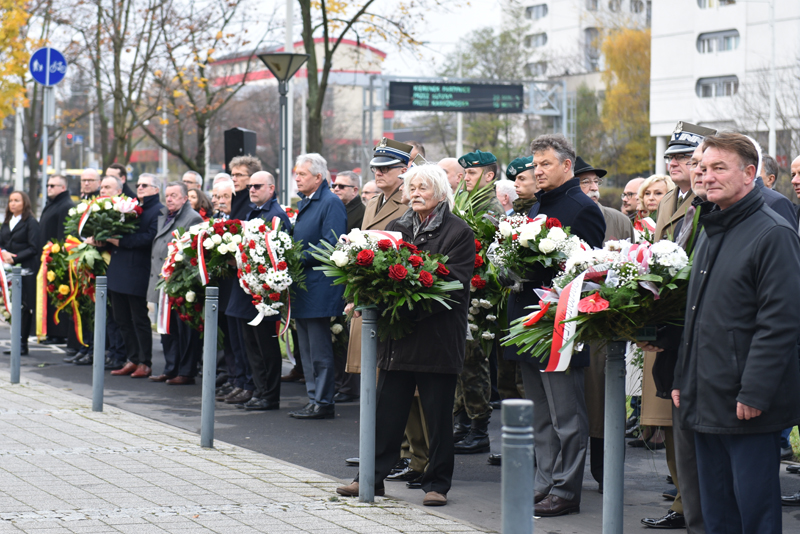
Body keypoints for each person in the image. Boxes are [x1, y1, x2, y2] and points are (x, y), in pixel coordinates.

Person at [673, 132, 800, 534]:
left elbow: (779, 322)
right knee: (717, 515)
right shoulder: (713, 228)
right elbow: (697, 316)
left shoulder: (773, 233)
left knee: (755, 514)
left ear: (750, 174)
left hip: (746, 405)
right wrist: (681, 379)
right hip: (705, 396)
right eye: (702, 167)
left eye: (718, 168)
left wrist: (755, 391)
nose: (705, 176)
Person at [336, 164, 475, 507]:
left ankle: (437, 484)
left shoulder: (458, 232)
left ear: (441, 193)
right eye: (411, 188)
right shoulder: (397, 227)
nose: (414, 193)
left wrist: (406, 302)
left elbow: (454, 286)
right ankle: (370, 477)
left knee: (437, 416)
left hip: (437, 337)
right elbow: (381, 271)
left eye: (422, 188)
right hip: (398, 337)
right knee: (387, 412)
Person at [504, 134, 605, 517]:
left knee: (567, 415)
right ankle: (543, 482)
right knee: (540, 414)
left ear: (567, 166)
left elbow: (587, 272)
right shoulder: (536, 206)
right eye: (535, 164)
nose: (538, 171)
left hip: (558, 323)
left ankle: (566, 488)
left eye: (545, 164)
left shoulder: (582, 208)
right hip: (529, 321)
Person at [642, 122, 716, 529]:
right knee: (670, 413)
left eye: (684, 158)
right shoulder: (672, 197)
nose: (674, 163)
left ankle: (691, 504)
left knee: (684, 413)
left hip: (687, 318)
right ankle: (683, 498)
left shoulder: (706, 202)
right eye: (670, 157)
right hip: (667, 315)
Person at [345, 139, 427, 478]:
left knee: (406, 389)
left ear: (404, 170)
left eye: (386, 168)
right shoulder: (375, 200)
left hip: (394, 303)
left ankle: (415, 455)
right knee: (381, 385)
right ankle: (392, 452)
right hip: (372, 300)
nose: (377, 173)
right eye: (375, 167)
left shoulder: (408, 201)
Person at [574, 156, 635, 491]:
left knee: (603, 399)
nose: (593, 188)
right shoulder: (564, 215)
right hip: (569, 321)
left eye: (595, 182)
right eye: (585, 182)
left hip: (605, 322)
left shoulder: (618, 220)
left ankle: (605, 470)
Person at [226, 171, 291, 410]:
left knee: (265, 347)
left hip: (265, 292)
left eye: (257, 186)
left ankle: (269, 395)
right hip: (247, 289)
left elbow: (279, 254)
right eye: (250, 186)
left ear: (271, 188)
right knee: (251, 346)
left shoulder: (275, 216)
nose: (251, 189)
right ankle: (259, 390)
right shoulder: (253, 212)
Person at [289, 153, 347, 419]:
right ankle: (314, 398)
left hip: (319, 287)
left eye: (301, 174)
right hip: (304, 287)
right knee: (307, 349)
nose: (296, 178)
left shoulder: (330, 202)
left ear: (318, 177)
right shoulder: (308, 202)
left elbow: (330, 244)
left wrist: (292, 256)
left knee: (319, 349)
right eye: (296, 173)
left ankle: (323, 401)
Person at [105, 173, 163, 379]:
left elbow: (150, 238)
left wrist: (121, 242)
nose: (139, 188)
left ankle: (145, 362)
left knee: (138, 318)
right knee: (122, 319)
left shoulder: (158, 210)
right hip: (119, 270)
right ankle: (132, 358)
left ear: (156, 190)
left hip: (137, 271)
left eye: (145, 185)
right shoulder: (128, 207)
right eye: (138, 184)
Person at [148, 181, 203, 385]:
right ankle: (171, 368)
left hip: (181, 285)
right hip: (163, 283)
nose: (169, 199)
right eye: (167, 195)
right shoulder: (164, 215)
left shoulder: (193, 218)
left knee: (185, 331)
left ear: (184, 198)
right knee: (166, 328)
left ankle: (186, 371)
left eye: (174, 195)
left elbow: (192, 252)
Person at [216, 157, 259, 405]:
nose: (235, 179)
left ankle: (248, 384)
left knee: (245, 338)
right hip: (233, 278)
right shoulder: (237, 201)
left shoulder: (247, 202)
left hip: (246, 279)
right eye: (233, 174)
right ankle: (239, 381)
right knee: (234, 333)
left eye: (240, 175)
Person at [0, 191, 40, 356]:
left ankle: (22, 344)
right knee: (11, 306)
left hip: (25, 270)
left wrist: (14, 258)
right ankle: (16, 340)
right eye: (10, 201)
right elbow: (2, 242)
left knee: (24, 307)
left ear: (25, 203)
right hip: (7, 269)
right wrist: (3, 253)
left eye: (16, 200)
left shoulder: (31, 222)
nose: (13, 204)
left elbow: (33, 247)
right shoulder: (7, 221)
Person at [38, 174, 74, 346]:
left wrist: (59, 257)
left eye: (53, 185)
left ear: (63, 187)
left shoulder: (65, 205)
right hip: (48, 257)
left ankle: (59, 333)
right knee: (51, 296)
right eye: (48, 185)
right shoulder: (52, 204)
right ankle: (52, 332)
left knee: (59, 294)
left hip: (57, 258)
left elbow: (63, 233)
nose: (49, 188)